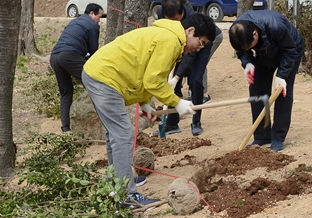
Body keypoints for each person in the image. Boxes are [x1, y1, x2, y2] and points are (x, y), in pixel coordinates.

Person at [83, 12, 217, 208]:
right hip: (105, 78)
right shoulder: (170, 41)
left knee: (116, 134)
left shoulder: (167, 37)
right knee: (122, 134)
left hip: (97, 73)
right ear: (190, 31)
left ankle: (116, 184)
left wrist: (145, 103)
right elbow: (153, 81)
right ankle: (126, 195)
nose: (199, 48)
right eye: (201, 42)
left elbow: (144, 70)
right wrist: (177, 102)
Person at [227, 9, 305, 151]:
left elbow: (290, 51)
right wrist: (248, 62)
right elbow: (242, 50)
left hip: (290, 50)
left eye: (249, 46)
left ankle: (278, 137)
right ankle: (262, 135)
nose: (247, 48)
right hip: (264, 53)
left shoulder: (276, 26)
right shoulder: (237, 31)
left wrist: (281, 76)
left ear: (255, 33)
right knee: (257, 88)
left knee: (282, 92)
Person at [159, 0, 223, 137]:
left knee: (195, 80)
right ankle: (172, 123)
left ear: (181, 13)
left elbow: (190, 54)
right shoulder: (163, 15)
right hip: (183, 43)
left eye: (176, 20)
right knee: (174, 84)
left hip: (202, 42)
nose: (173, 23)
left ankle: (196, 121)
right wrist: (174, 79)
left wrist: (177, 77)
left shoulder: (192, 23)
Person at [50, 3, 103, 134]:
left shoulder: (75, 22)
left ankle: (66, 128)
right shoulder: (92, 25)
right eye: (99, 16)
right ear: (92, 13)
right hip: (70, 55)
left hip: (55, 57)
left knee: (66, 92)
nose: (99, 20)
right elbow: (93, 52)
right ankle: (103, 120)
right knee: (94, 84)